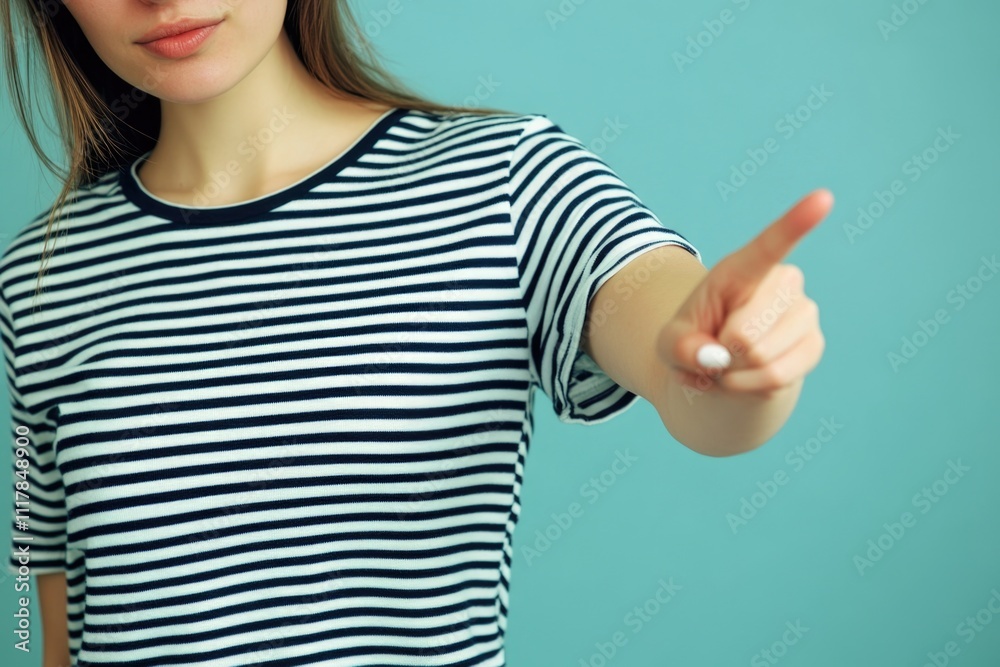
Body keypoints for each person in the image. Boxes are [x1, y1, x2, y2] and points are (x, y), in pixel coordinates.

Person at [0, 1, 832, 665]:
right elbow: (49, 603)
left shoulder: (504, 181)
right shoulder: (37, 278)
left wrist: (728, 358)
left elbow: (677, 354)